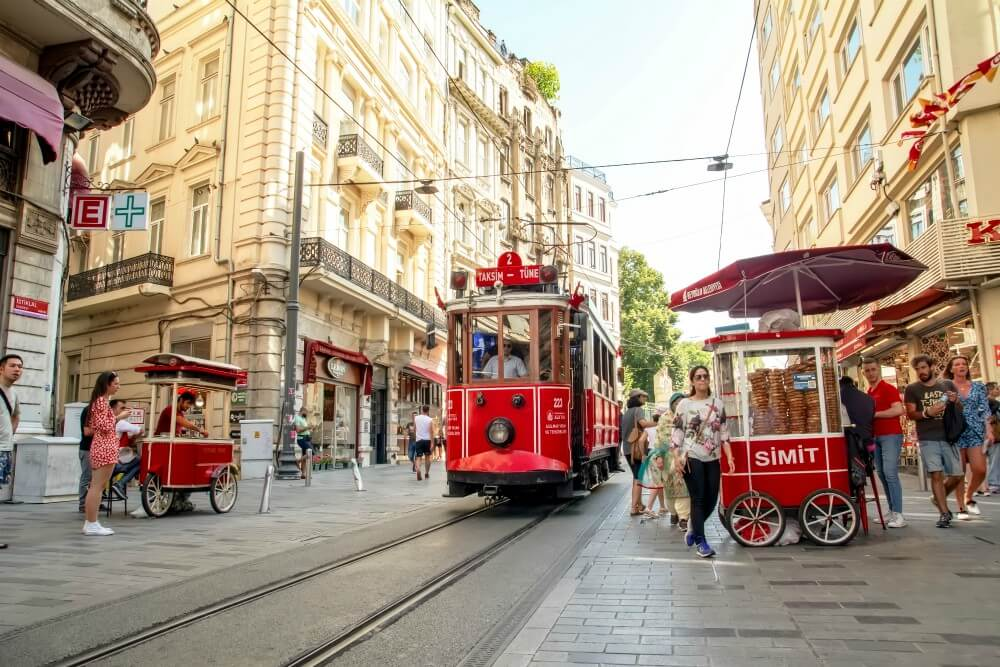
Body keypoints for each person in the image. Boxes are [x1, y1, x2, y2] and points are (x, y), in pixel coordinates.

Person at [671, 366, 734, 558]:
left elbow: (724, 432)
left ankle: (692, 527)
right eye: (698, 377)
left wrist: (729, 456)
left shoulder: (718, 403)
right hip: (692, 456)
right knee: (698, 499)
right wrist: (677, 459)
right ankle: (701, 542)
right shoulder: (684, 405)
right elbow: (676, 434)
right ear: (692, 381)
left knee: (712, 499)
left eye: (705, 376)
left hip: (713, 457)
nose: (702, 379)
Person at [904, 355, 963, 528]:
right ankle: (944, 513)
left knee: (957, 475)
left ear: (932, 367)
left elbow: (960, 409)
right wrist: (927, 413)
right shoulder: (912, 389)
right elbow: (910, 414)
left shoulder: (947, 385)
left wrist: (955, 401)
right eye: (918, 369)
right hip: (928, 437)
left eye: (923, 368)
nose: (921, 372)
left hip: (949, 436)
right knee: (936, 474)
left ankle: (937, 498)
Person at [943, 355, 994, 517]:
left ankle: (969, 495)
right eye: (957, 364)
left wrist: (989, 430)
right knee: (960, 472)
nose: (961, 366)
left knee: (980, 469)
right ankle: (961, 507)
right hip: (956, 432)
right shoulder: (947, 387)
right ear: (951, 369)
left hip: (975, 431)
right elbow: (941, 406)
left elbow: (985, 409)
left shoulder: (978, 386)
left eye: (964, 364)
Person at [82, 371, 129, 536]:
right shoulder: (101, 402)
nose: (118, 386)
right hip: (105, 446)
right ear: (107, 384)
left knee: (97, 486)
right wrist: (119, 417)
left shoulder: (99, 402)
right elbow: (105, 426)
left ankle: (91, 522)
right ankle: (91, 523)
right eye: (115, 383)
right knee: (97, 486)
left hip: (102, 446)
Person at [863, 359, 907, 528]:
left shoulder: (888, 389)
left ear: (878, 370)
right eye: (867, 370)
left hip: (891, 435)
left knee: (890, 473)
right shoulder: (869, 391)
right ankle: (891, 510)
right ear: (863, 373)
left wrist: (875, 414)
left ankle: (899, 514)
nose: (871, 373)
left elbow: (898, 409)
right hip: (876, 437)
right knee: (881, 473)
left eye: (873, 369)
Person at [155, 391, 208, 512]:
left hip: (170, 445)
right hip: (164, 445)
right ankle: (179, 498)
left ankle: (181, 498)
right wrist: (199, 429)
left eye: (190, 405)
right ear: (181, 400)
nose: (188, 407)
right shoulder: (171, 409)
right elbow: (183, 422)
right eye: (188, 404)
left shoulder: (179, 412)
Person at [657, 392, 691, 530]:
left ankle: (683, 517)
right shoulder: (664, 418)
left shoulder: (689, 416)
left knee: (684, 487)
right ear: (671, 404)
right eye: (676, 403)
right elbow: (659, 439)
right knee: (669, 488)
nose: (678, 406)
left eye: (681, 403)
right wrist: (659, 456)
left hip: (684, 457)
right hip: (667, 458)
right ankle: (673, 512)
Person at [621, 388, 655, 516]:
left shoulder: (626, 413)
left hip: (627, 449)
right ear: (637, 398)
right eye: (643, 397)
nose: (645, 399)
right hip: (636, 450)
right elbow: (644, 424)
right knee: (638, 478)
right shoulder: (638, 410)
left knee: (636, 476)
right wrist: (658, 422)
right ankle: (634, 508)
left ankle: (639, 504)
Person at [0, 353, 21, 549]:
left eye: (20, 367)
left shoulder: (13, 394)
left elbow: (16, 415)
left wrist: (9, 434)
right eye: (13, 365)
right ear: (1, 369)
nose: (17, 369)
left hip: (5, 449)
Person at [110, 399, 142, 499]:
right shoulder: (120, 422)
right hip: (114, 464)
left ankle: (118, 485)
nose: (125, 410)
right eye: (122, 408)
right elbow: (140, 430)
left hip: (105, 461)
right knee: (140, 461)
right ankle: (120, 484)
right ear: (113, 409)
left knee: (135, 460)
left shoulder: (108, 420)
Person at [986, 382, 1000, 494]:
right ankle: (993, 483)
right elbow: (989, 419)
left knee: (994, 459)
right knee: (994, 459)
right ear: (990, 391)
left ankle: (994, 483)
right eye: (996, 388)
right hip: (994, 435)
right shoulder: (991, 403)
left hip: (995, 434)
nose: (998, 390)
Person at [413, 404, 434, 481]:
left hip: (419, 440)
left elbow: (414, 429)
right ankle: (426, 473)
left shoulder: (416, 418)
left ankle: (418, 469)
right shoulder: (430, 420)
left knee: (418, 457)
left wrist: (417, 437)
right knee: (427, 457)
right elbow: (431, 431)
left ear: (422, 410)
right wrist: (432, 443)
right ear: (428, 411)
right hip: (427, 440)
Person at [294, 409, 312, 478]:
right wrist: (307, 427)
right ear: (303, 411)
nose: (307, 414)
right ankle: (298, 461)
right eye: (307, 412)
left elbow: (305, 428)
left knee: (305, 454)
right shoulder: (297, 418)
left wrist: (310, 428)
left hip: (306, 438)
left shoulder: (303, 418)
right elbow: (298, 430)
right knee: (311, 452)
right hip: (301, 439)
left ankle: (303, 474)